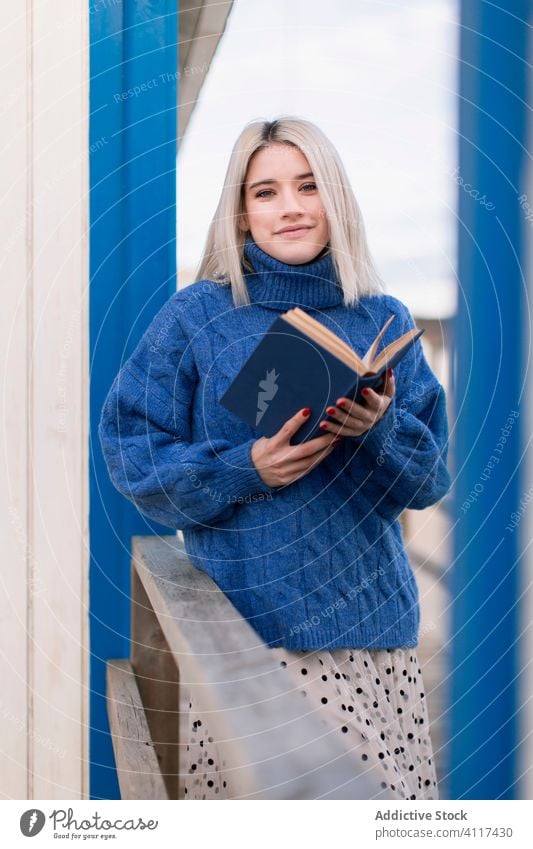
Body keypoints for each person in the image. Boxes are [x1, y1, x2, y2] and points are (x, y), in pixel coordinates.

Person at [98, 116, 451, 801]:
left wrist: (377, 429)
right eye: (265, 191)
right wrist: (242, 469)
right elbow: (131, 453)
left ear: (335, 200)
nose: (289, 207)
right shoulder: (198, 315)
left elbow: (431, 479)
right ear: (239, 211)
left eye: (308, 185)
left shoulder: (383, 317)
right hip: (243, 642)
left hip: (371, 637)